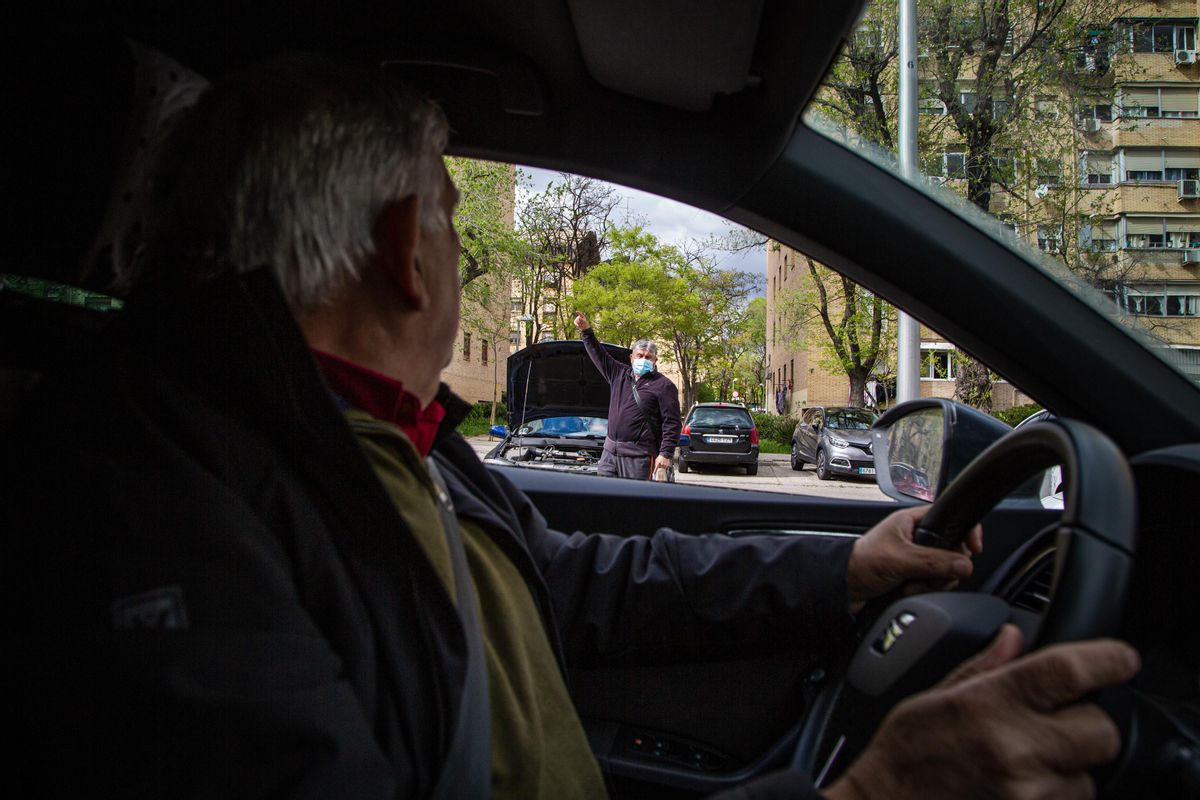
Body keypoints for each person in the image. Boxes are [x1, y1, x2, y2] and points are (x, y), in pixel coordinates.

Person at [5, 53, 1137, 799]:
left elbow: (585, 582)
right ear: (408, 245)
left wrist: (846, 563)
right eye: (452, 216)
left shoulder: (393, 442)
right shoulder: (146, 490)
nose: (455, 252)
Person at [574, 311, 681, 480]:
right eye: (640, 356)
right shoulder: (619, 373)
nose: (644, 359)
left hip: (640, 458)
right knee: (603, 499)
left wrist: (666, 454)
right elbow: (598, 354)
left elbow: (672, 423)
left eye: (648, 357)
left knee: (634, 501)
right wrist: (586, 330)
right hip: (609, 454)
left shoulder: (664, 386)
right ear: (631, 358)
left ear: (655, 361)